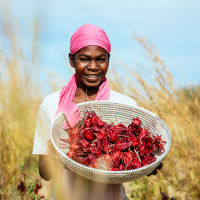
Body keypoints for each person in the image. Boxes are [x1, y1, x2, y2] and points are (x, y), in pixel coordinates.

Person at [32, 24, 162, 200]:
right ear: (71, 60)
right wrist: (53, 152)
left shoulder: (125, 105)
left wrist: (147, 163)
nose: (93, 66)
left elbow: (130, 162)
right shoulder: (50, 104)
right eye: (84, 59)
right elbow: (45, 174)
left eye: (101, 59)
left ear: (108, 60)